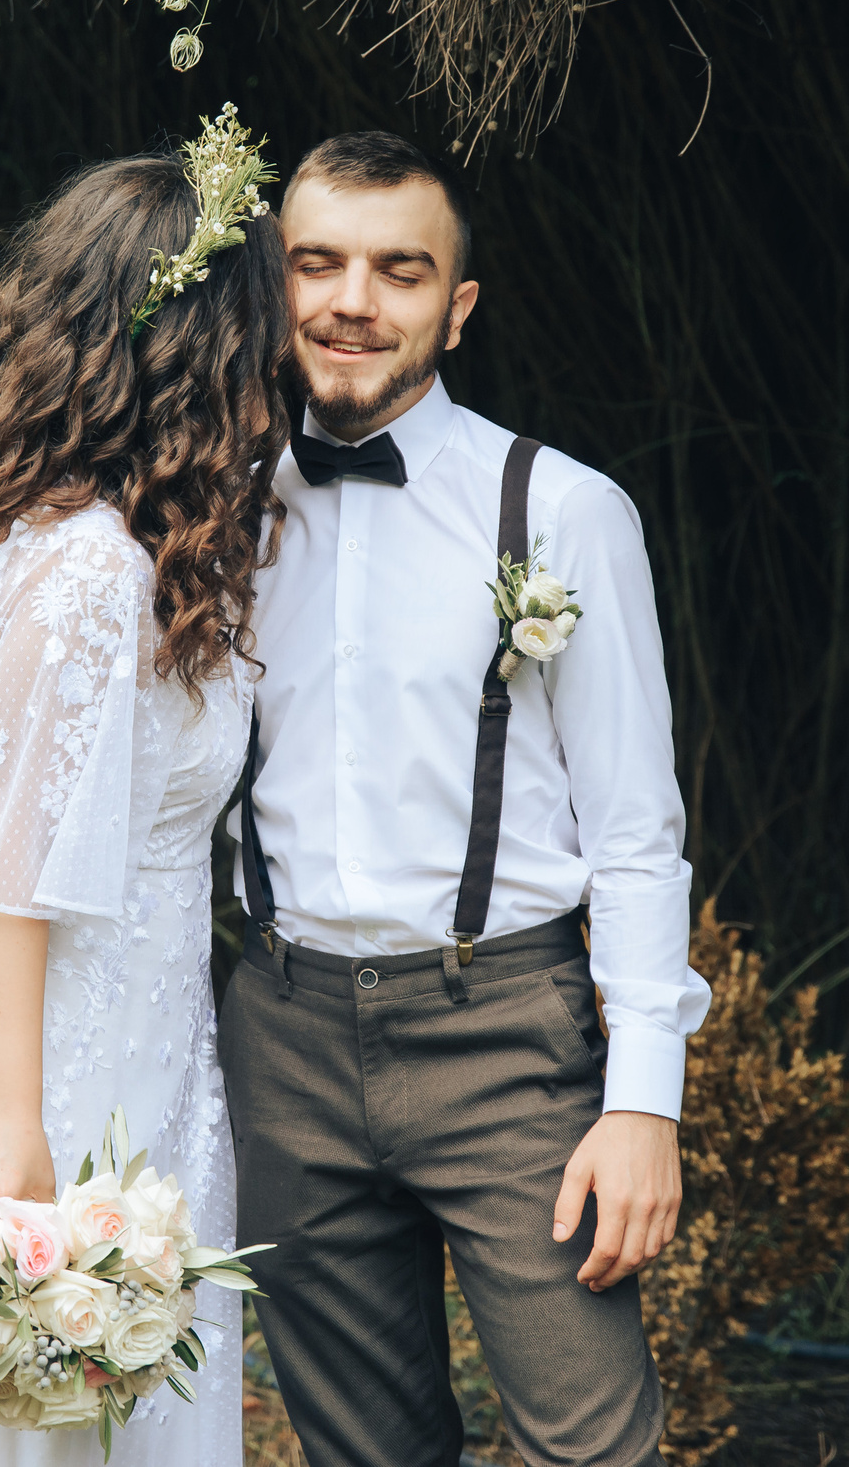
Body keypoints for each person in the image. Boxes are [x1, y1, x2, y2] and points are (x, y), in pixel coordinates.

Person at [223, 131, 714, 1465]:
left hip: (507, 1036)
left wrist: (643, 1100)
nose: (352, 300)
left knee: (590, 1447)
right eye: (317, 262)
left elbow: (633, 829)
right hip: (284, 1035)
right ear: (273, 280)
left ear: (459, 304)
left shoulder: (561, 511)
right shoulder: (211, 506)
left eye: (399, 269)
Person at [0, 117, 290, 1467]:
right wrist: (13, 1123)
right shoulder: (92, 577)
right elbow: (8, 876)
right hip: (47, 1068)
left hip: (143, 1048)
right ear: (200, 355)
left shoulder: (156, 552)